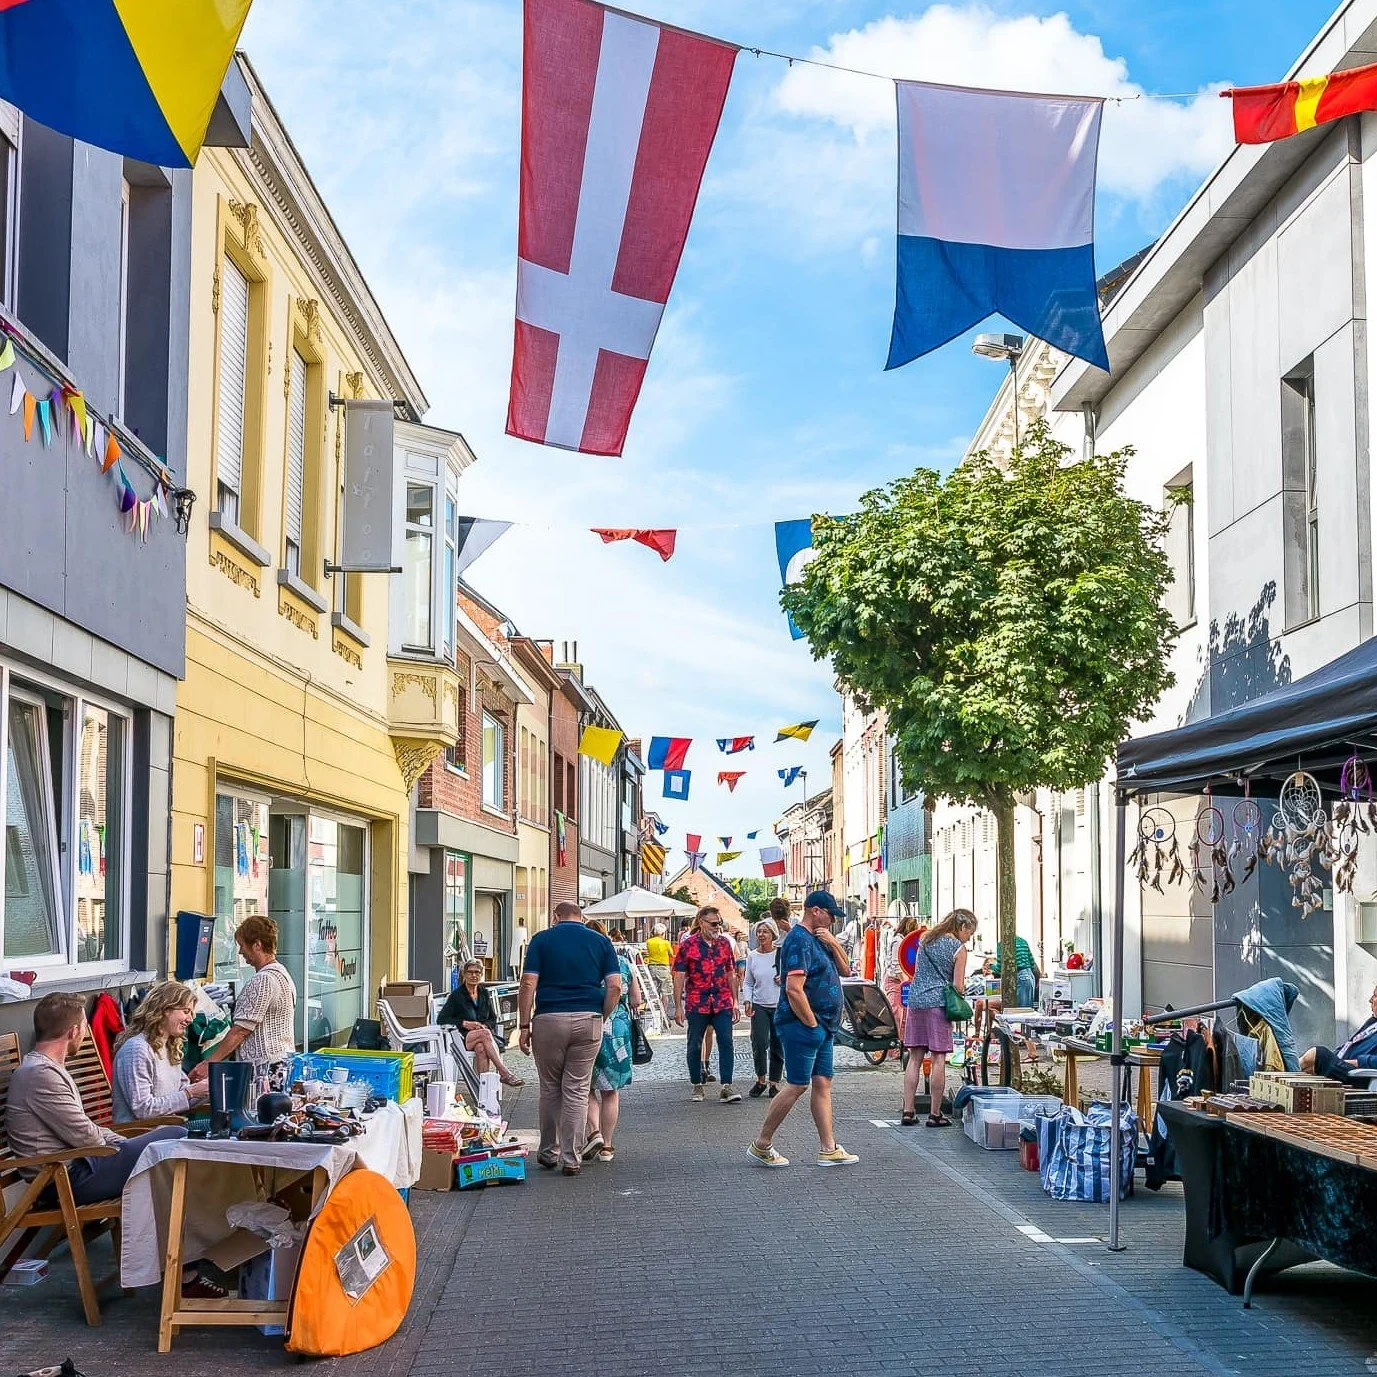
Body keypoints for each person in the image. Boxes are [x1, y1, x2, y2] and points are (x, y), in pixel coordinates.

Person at [748, 891, 858, 1168]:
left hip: (823, 1025)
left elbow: (845, 971)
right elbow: (794, 989)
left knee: (823, 1083)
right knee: (797, 1084)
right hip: (804, 1025)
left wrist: (834, 943)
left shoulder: (819, 939)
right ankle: (762, 1144)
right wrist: (810, 1023)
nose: (833, 920)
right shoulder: (798, 940)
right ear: (816, 911)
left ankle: (828, 1148)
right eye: (831, 915)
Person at [518, 901, 622, 1175]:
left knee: (550, 1087)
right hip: (588, 1019)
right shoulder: (601, 942)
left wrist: (524, 1024)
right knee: (577, 1089)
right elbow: (615, 986)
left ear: (556, 916)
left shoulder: (541, 940)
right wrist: (603, 1014)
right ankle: (571, 1157)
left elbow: (528, 983)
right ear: (581, 916)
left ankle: (548, 1152)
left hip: (549, 1019)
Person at [191, 914, 297, 1090]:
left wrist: (209, 1064)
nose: (240, 952)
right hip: (280, 1064)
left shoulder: (263, 980)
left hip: (265, 1069)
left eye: (242, 945)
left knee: (258, 1115)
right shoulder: (282, 974)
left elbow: (240, 1031)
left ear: (257, 945)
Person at [902, 908, 977, 1127]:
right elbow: (958, 986)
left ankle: (908, 1111)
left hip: (916, 1001)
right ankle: (935, 1114)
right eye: (969, 933)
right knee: (938, 1059)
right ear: (962, 927)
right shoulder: (958, 949)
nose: (968, 938)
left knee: (914, 1058)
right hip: (938, 1006)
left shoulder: (925, 939)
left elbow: (917, 970)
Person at [583, 919, 643, 1162]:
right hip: (617, 1030)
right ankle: (607, 1146)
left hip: (587, 1023)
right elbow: (636, 1000)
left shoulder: (583, 963)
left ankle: (593, 1132)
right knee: (611, 1091)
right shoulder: (622, 962)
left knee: (585, 1087)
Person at [672, 905, 742, 1103]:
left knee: (726, 1042)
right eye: (713, 923)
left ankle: (726, 1086)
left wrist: (735, 1000)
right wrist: (678, 1006)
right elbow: (678, 976)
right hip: (697, 1002)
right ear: (701, 923)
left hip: (721, 1001)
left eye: (719, 923)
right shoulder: (688, 945)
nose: (717, 927)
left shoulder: (725, 944)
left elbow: (731, 973)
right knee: (694, 1044)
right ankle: (697, 1084)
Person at [113, 981, 210, 1121]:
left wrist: (211, 1089)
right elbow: (143, 1109)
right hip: (139, 1133)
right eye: (186, 1011)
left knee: (224, 1129)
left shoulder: (169, 1047)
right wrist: (190, 1092)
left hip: (168, 1129)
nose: (190, 1019)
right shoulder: (137, 1050)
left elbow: (181, 1099)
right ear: (165, 1010)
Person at [438, 958, 524, 1086]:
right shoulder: (457, 996)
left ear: (481, 974)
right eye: (470, 972)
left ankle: (481, 1091)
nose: (474, 975)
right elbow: (442, 1019)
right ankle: (504, 1073)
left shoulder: (483, 993)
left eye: (477, 972)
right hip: (462, 1037)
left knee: (481, 1049)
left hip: (482, 1038)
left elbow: (492, 1018)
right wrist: (465, 1023)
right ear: (464, 974)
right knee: (485, 1035)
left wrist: (485, 1025)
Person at [1300, 984, 1377, 1084]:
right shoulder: (1372, 1023)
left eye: (1375, 996)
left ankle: (1286, 1069)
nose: (1370, 1000)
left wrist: (1344, 1062)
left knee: (1319, 1055)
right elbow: (1349, 1045)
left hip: (1362, 1076)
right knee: (1312, 1063)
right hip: (1345, 1067)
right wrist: (1335, 1059)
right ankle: (1285, 1071)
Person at [742, 919, 783, 1097]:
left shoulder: (781, 955)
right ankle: (761, 1079)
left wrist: (784, 978)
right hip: (759, 1004)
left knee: (777, 1044)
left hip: (779, 1005)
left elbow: (794, 976)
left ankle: (774, 1082)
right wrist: (747, 1000)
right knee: (759, 1042)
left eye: (765, 931)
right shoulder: (753, 956)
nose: (761, 935)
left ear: (773, 934)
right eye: (759, 932)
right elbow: (748, 982)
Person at [881, 917, 919, 1054]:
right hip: (895, 980)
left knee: (906, 1014)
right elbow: (897, 966)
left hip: (904, 980)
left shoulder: (906, 942)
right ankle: (893, 1046)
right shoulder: (898, 941)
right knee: (897, 1013)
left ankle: (903, 1044)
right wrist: (906, 981)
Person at [992, 933, 1043, 1010]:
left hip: (1020, 977)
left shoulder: (1002, 944)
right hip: (1030, 976)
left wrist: (991, 966)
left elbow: (1000, 968)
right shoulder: (1023, 941)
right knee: (1027, 1011)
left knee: (1021, 1012)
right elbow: (1032, 962)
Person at [645, 921, 676, 1021]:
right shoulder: (666, 943)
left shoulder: (649, 942)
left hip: (652, 967)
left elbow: (646, 952)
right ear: (663, 933)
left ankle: (655, 1012)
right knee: (665, 992)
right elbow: (671, 954)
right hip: (663, 968)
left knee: (654, 991)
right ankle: (664, 1013)